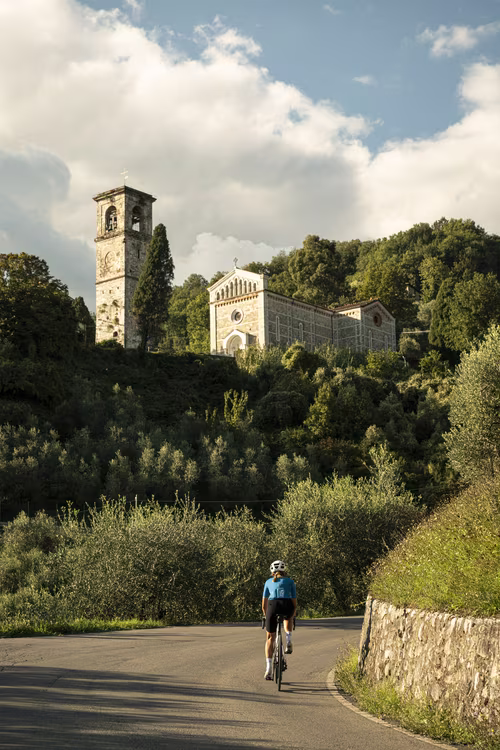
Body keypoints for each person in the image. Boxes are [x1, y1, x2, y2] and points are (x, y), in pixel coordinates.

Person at [262, 559, 297, 680]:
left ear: (272, 571)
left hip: (273, 606)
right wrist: (293, 613)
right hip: (287, 605)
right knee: (289, 618)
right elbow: (294, 601)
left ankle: (269, 669)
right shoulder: (290, 582)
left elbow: (264, 604)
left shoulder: (268, 582)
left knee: (270, 637)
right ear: (284, 570)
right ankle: (288, 640)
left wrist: (266, 615)